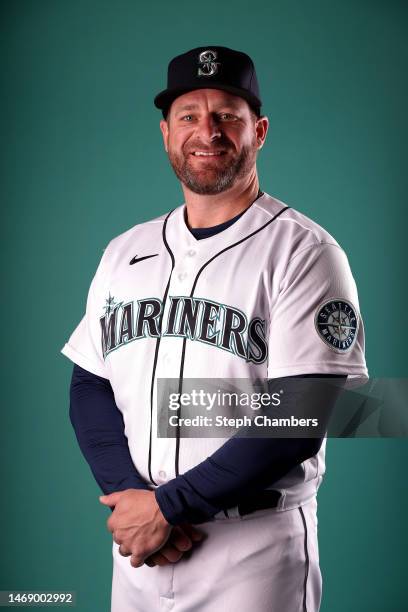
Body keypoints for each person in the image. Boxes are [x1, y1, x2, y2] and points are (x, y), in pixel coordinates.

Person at [61, 45, 368, 611]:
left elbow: (301, 414)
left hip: (253, 551)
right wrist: (134, 502)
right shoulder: (124, 250)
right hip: (141, 549)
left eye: (227, 114)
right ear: (165, 133)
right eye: (189, 116)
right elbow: (90, 385)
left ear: (260, 130)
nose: (208, 131)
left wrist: (168, 508)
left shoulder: (305, 251)